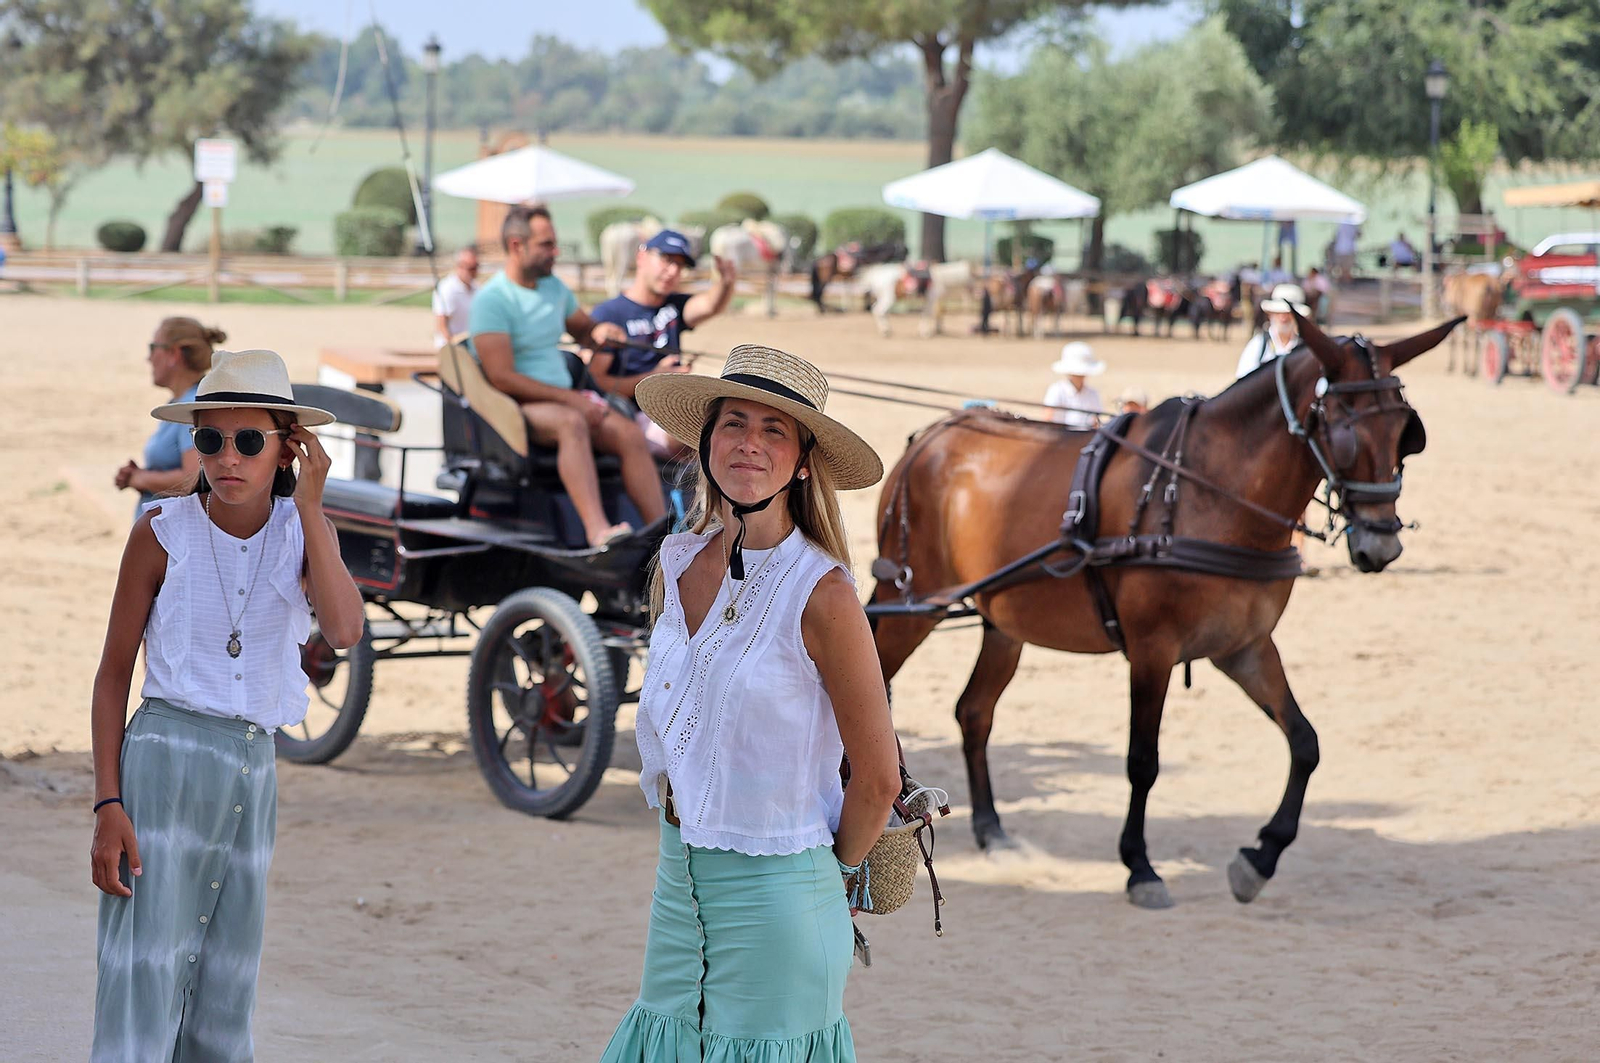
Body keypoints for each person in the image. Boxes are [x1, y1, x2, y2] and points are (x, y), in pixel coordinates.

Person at [599, 345, 900, 1062]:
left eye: (775, 430)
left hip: (780, 895)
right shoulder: (678, 564)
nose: (750, 444)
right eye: (734, 423)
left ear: (802, 462)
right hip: (678, 885)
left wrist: (833, 878)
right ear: (705, 443)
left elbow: (879, 776)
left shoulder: (823, 594)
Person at [89, 349, 365, 1061]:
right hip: (162, 765)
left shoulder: (303, 531)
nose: (228, 457)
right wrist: (107, 804)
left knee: (226, 979)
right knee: (143, 973)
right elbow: (113, 672)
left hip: (251, 769)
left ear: (287, 448)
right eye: (211, 439)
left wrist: (311, 506)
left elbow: (343, 629)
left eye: (250, 440)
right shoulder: (160, 531)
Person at [469, 204, 666, 548]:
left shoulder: (554, 289)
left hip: (565, 400)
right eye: (546, 244)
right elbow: (501, 378)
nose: (555, 252)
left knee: (629, 434)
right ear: (517, 246)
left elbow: (585, 331)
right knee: (570, 423)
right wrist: (572, 399)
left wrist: (602, 331)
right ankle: (598, 530)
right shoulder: (493, 300)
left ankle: (661, 533)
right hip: (515, 407)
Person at [588, 229, 737, 457]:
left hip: (670, 412)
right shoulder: (610, 313)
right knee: (704, 434)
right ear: (641, 257)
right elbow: (597, 381)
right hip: (628, 416)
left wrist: (726, 283)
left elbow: (710, 305)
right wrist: (653, 379)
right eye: (666, 260)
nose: (673, 271)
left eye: (680, 265)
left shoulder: (674, 305)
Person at [115, 318, 226, 514]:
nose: (148, 359)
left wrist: (140, 478)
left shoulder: (190, 406)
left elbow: (193, 478)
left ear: (173, 354)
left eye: (153, 348)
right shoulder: (186, 400)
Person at [1235, 283, 1310, 379]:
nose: (1283, 318)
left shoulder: (1304, 348)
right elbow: (1243, 382)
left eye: (1289, 314)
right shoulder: (1259, 344)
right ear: (1270, 315)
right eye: (1278, 313)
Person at [1043, 341, 1106, 429]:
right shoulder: (1057, 390)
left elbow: (1095, 423)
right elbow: (1048, 418)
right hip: (1060, 438)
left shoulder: (1092, 394)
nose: (1080, 376)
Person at [432, 246, 479, 349]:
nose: (473, 272)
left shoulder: (476, 288)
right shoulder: (447, 289)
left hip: (468, 344)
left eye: (475, 267)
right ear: (459, 266)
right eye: (470, 267)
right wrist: (454, 347)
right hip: (449, 347)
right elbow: (442, 325)